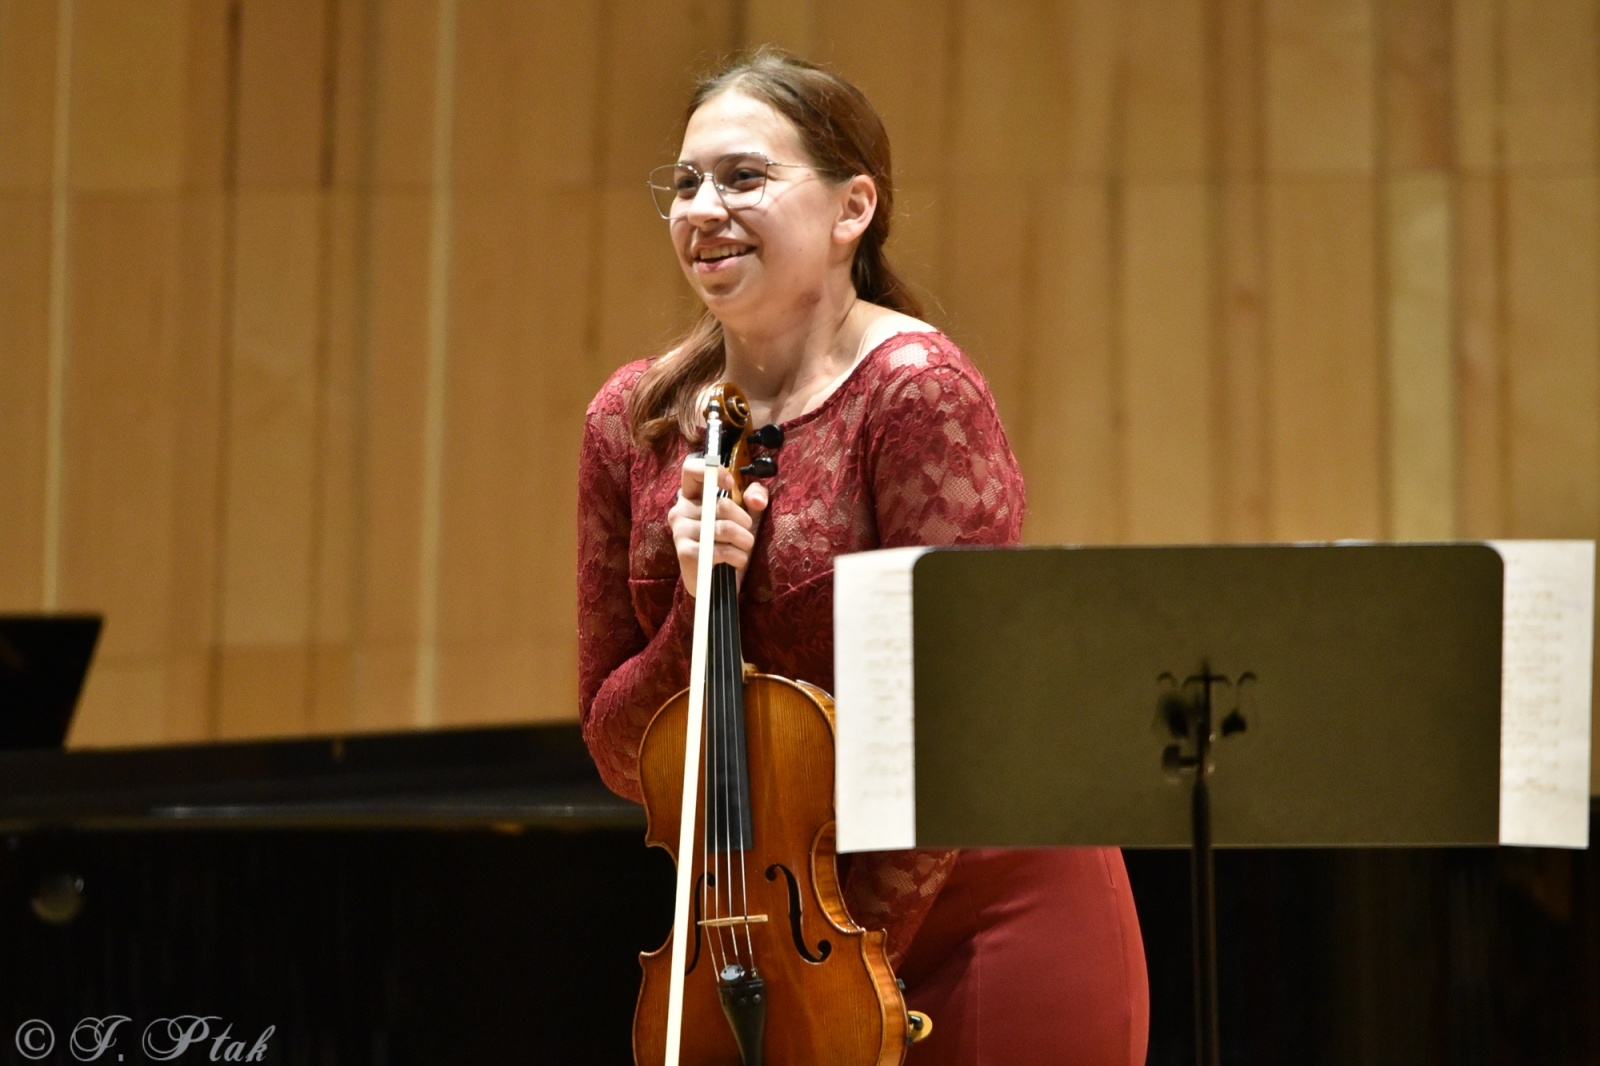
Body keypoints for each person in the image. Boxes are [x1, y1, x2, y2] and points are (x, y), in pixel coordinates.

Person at [577, 49, 1148, 1065]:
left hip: (979, 916)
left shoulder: (916, 393)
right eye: (686, 183)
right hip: (771, 932)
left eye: (744, 178)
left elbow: (964, 732)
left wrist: (846, 968)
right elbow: (623, 759)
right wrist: (697, 606)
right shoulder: (636, 423)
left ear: (853, 209)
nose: (704, 208)